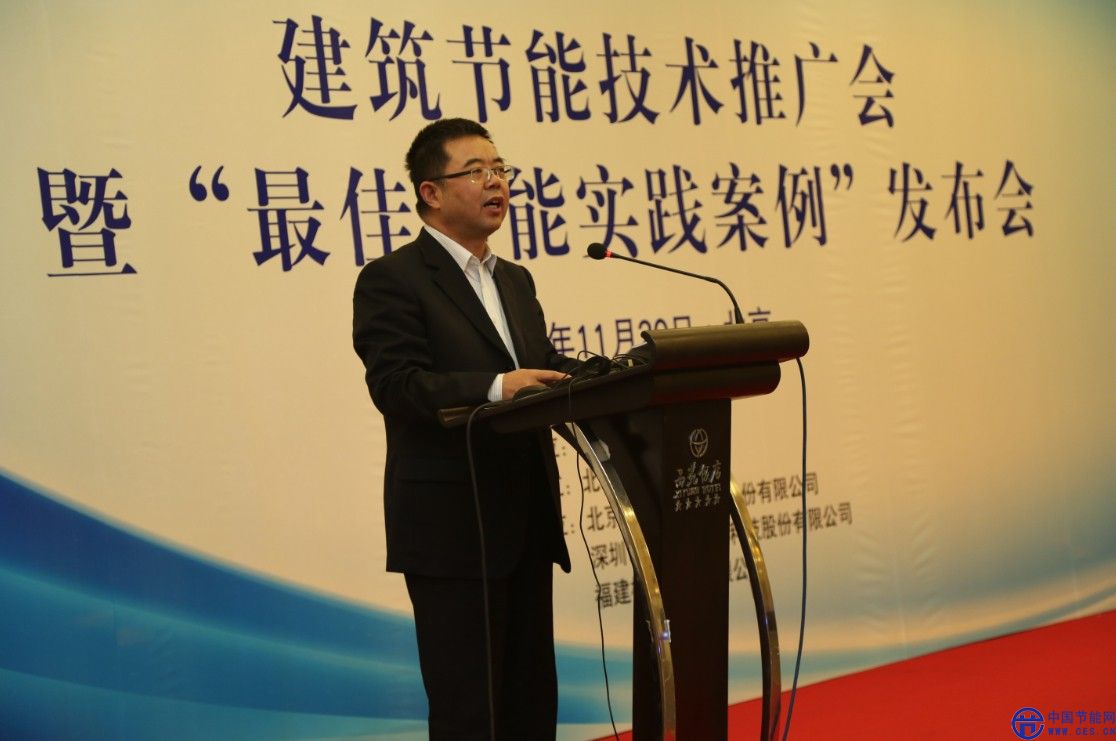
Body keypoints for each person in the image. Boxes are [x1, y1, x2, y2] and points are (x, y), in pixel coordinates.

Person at [352, 118, 580, 739]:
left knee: (531, 704)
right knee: (469, 713)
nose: (495, 182)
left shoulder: (514, 279)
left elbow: (541, 365)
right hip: (452, 529)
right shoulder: (393, 279)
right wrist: (495, 387)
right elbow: (397, 385)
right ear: (431, 192)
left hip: (525, 519)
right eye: (476, 171)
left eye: (500, 169)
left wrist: (621, 373)